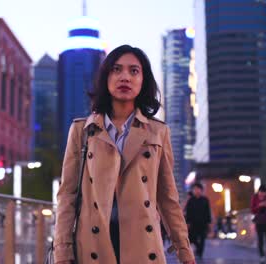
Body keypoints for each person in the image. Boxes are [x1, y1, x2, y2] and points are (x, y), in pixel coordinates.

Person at [54, 45, 195, 264]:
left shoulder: (158, 132)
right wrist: (62, 251)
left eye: (134, 71)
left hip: (143, 246)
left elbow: (168, 199)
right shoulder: (82, 131)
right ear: (106, 77)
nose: (125, 77)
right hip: (93, 245)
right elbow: (67, 196)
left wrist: (184, 251)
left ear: (143, 80)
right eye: (117, 69)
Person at [185, 183, 212, 259]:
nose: (196, 191)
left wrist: (209, 223)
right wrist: (188, 222)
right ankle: (198, 248)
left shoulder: (205, 200)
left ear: (201, 190)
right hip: (193, 223)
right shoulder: (191, 200)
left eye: (198, 189)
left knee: (203, 238)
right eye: (194, 189)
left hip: (203, 223)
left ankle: (200, 253)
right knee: (192, 238)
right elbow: (188, 212)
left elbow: (207, 212)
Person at [251, 184, 266, 263]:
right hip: (259, 222)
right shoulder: (255, 197)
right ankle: (262, 256)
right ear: (259, 192)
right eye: (261, 192)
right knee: (260, 239)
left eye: (263, 193)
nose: (262, 194)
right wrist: (259, 206)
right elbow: (252, 210)